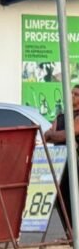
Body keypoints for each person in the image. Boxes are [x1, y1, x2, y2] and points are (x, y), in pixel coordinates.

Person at [44, 84, 79, 233]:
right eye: (72, 93)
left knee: (74, 198)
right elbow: (47, 135)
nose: (72, 96)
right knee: (61, 198)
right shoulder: (61, 116)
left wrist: (56, 135)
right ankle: (69, 233)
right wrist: (55, 135)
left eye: (76, 94)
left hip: (75, 163)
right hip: (60, 163)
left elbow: (69, 133)